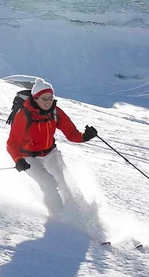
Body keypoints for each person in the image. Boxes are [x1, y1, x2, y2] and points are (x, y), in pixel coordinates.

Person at [7, 78, 98, 215]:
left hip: (50, 153)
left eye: (50, 97)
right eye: (44, 98)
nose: (48, 101)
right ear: (36, 98)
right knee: (49, 184)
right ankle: (60, 216)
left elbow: (72, 133)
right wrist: (18, 159)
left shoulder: (55, 112)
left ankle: (82, 212)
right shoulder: (24, 115)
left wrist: (85, 136)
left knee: (67, 182)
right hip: (28, 157)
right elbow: (12, 143)